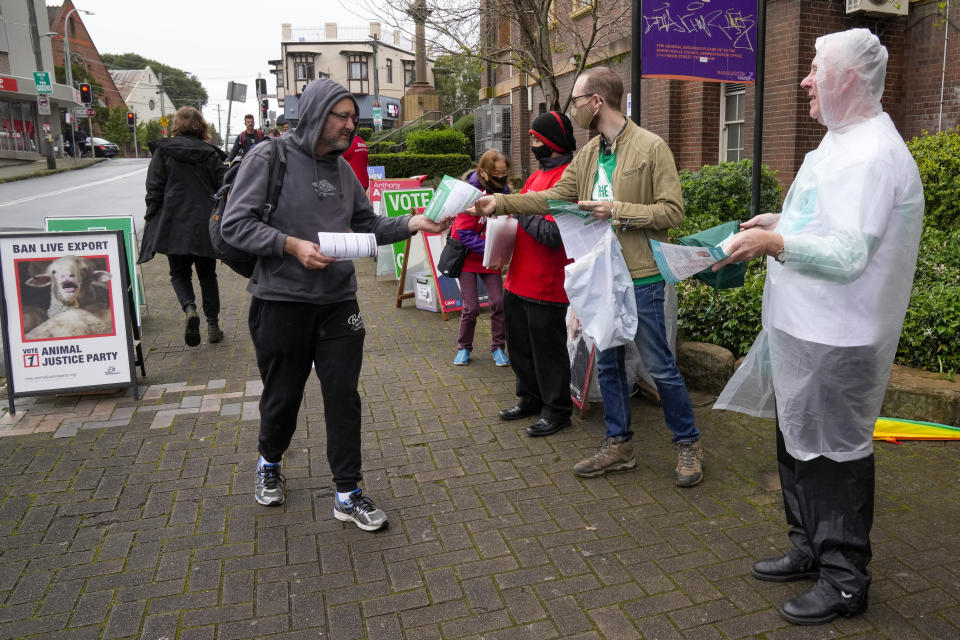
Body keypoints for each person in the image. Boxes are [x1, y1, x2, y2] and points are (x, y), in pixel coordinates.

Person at [712, 29, 924, 625]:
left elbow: (850, 252)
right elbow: (827, 222)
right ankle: (809, 547)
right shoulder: (840, 143)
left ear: (847, 78)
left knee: (833, 458)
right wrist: (780, 220)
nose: (804, 80)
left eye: (813, 68)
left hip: (839, 337)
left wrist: (773, 241)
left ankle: (845, 579)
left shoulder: (872, 154)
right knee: (799, 447)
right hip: (806, 331)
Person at [221, 78, 449, 531]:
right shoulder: (270, 157)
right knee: (283, 394)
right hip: (281, 301)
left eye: (352, 117)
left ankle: (348, 492)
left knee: (343, 396)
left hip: (338, 301)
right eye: (341, 116)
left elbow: (366, 223)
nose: (351, 125)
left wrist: (411, 222)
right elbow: (235, 225)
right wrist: (291, 246)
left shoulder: (343, 171)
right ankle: (269, 461)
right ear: (315, 115)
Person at [470, 67, 704, 487]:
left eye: (576, 100)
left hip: (643, 275)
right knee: (610, 365)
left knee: (660, 366)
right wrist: (501, 203)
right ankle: (620, 445)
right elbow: (554, 196)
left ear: (597, 101)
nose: (572, 109)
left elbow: (673, 212)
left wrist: (619, 211)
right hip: (602, 276)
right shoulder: (589, 154)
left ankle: (687, 443)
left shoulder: (652, 147)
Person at [499, 111, 576, 437]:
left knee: (549, 353)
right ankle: (529, 398)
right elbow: (530, 221)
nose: (532, 145)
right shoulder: (534, 178)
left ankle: (557, 410)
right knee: (520, 348)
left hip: (548, 284)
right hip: (518, 279)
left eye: (536, 140)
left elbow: (552, 235)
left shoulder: (568, 178)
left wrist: (520, 206)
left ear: (553, 143)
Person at [141, 106, 227, 346]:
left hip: (173, 223)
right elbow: (223, 188)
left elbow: (154, 187)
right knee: (208, 275)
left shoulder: (164, 152)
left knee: (179, 273)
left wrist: (152, 214)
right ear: (201, 125)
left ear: (176, 125)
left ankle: (190, 309)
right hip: (204, 224)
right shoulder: (210, 154)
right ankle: (213, 325)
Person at [451, 149, 511, 367]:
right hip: (469, 258)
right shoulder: (468, 194)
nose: (502, 179)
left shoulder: (504, 192)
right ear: (484, 173)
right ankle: (464, 347)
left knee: (498, 302)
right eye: (498, 175)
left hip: (490, 258)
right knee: (471, 308)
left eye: (505, 174)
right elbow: (463, 233)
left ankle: (498, 347)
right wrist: (491, 249)